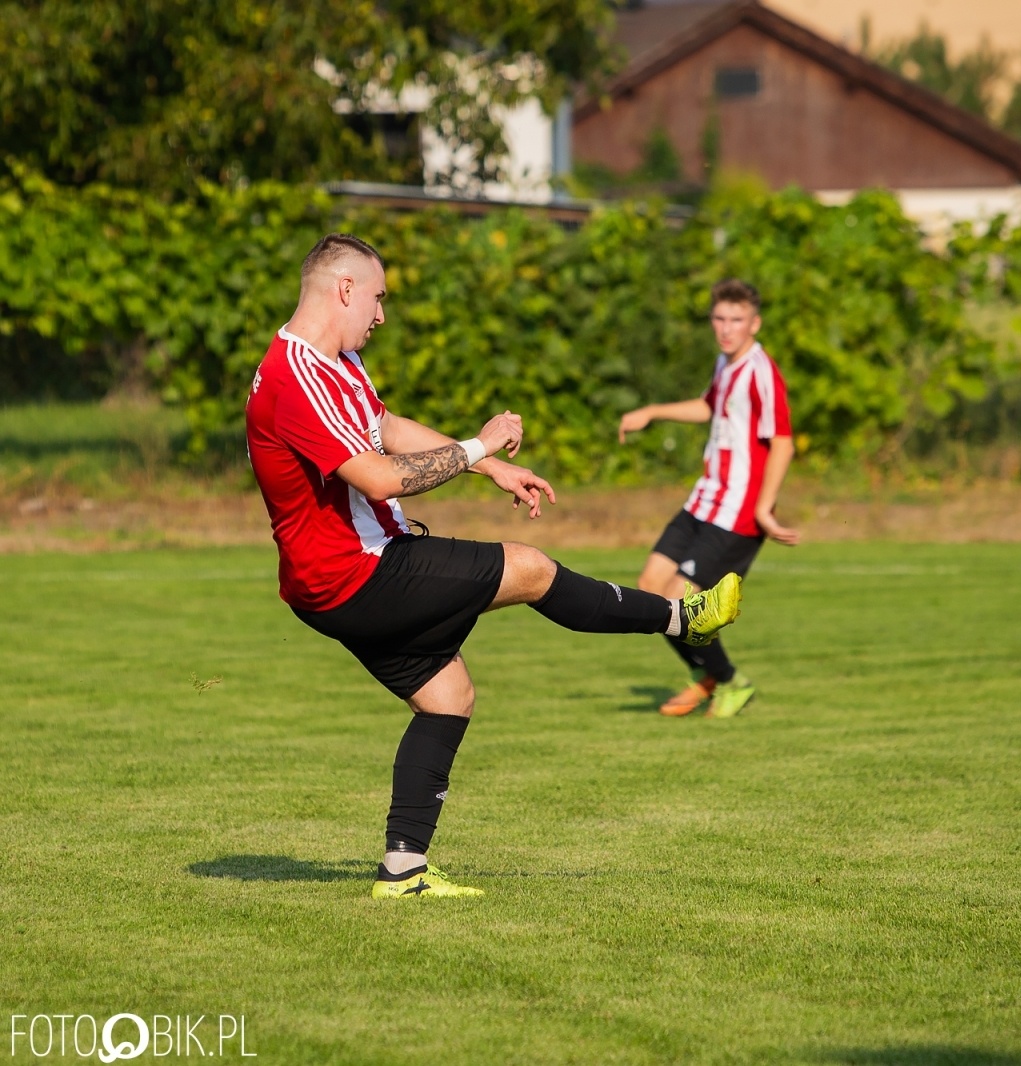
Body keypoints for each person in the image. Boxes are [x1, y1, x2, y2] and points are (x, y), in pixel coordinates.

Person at [245, 234, 743, 900]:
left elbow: (384, 427)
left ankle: (403, 872)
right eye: (378, 297)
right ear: (343, 289)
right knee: (530, 569)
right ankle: (682, 619)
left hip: (337, 580)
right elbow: (380, 478)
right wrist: (480, 439)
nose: (381, 315)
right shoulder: (292, 377)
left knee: (447, 697)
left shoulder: (337, 364)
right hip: (355, 574)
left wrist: (489, 465)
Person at [617, 278, 797, 719]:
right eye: (719, 318)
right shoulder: (725, 363)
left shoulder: (760, 372)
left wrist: (763, 508)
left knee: (682, 601)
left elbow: (784, 442)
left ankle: (727, 681)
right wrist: (652, 412)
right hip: (703, 501)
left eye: (736, 320)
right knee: (650, 592)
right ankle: (710, 676)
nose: (726, 328)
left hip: (736, 513)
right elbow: (710, 407)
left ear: (754, 323)